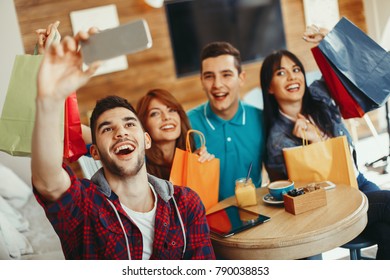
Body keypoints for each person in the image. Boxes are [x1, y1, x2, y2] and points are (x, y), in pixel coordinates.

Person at [31, 29, 215, 260]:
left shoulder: (186, 204)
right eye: (107, 129)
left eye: (129, 124)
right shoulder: (85, 205)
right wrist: (50, 100)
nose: (120, 132)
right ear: (95, 152)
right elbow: (47, 181)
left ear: (146, 139)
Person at [259, 26, 390, 259]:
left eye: (296, 69)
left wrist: (330, 43)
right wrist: (316, 139)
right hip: (332, 205)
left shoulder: (319, 94)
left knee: (387, 232)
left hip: (360, 183)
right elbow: (302, 197)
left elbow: (355, 74)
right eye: (280, 73)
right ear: (269, 87)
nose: (292, 76)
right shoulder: (277, 141)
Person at [187, 41, 265, 201]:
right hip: (207, 221)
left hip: (255, 211)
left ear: (241, 78)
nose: (217, 84)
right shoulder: (186, 125)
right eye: (209, 76)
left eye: (226, 75)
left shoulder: (261, 119)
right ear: (201, 81)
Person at [136, 88, 214, 180]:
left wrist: (199, 166)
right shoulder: (139, 166)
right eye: (155, 113)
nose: (167, 117)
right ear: (143, 124)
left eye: (172, 110)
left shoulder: (193, 150)